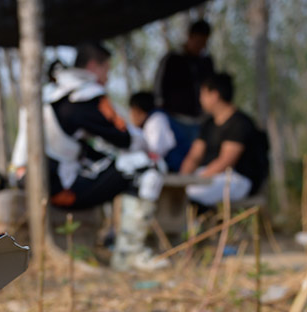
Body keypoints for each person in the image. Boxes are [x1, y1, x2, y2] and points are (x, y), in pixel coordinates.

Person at [42, 42, 166, 270]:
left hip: (45, 184)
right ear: (93, 66)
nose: (107, 78)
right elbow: (125, 137)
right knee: (147, 167)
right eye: (107, 70)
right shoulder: (86, 95)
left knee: (128, 164)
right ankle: (129, 254)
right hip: (64, 190)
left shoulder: (51, 94)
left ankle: (126, 249)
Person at [180, 72, 269, 207]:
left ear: (214, 95)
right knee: (176, 193)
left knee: (193, 194)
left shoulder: (240, 123)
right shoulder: (208, 124)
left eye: (203, 94)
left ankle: (197, 223)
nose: (200, 99)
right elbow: (194, 156)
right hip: (207, 175)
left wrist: (197, 181)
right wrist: (181, 180)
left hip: (236, 179)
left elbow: (226, 161)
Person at [153, 20, 214, 149]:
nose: (200, 47)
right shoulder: (172, 59)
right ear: (190, 37)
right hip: (175, 119)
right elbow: (159, 88)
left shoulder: (206, 62)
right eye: (198, 42)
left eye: (204, 43)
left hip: (200, 120)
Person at [129, 91, 198, 173]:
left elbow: (155, 152)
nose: (131, 115)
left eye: (131, 110)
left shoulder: (156, 120)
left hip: (178, 169)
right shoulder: (152, 120)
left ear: (138, 110)